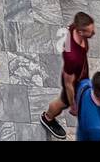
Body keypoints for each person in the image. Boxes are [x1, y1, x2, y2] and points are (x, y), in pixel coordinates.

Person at [40, 11, 94, 139]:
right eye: (90, 31)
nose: (93, 33)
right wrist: (73, 104)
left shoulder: (74, 27)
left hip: (80, 76)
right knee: (62, 102)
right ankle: (48, 118)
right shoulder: (72, 58)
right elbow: (68, 83)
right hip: (73, 82)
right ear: (80, 32)